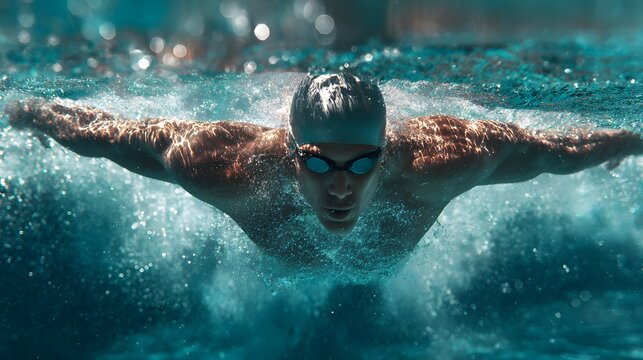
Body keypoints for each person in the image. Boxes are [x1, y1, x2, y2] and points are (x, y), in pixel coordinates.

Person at [6, 73, 642, 272]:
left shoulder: (446, 161)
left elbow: (556, 152)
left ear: (388, 154)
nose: (341, 186)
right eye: (319, 163)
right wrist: (30, 113)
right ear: (290, 153)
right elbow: (110, 138)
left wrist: (631, 138)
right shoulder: (222, 168)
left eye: (362, 164)